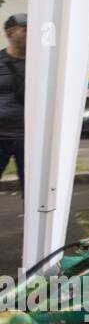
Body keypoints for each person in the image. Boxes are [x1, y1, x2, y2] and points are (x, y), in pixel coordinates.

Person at [0, 12, 26, 196]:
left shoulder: (42, 64)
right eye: (25, 31)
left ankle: (34, 225)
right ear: (10, 34)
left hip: (30, 140)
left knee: (33, 192)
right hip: (0, 136)